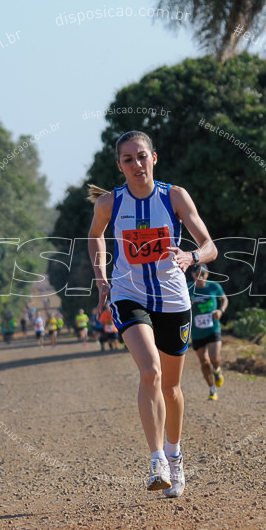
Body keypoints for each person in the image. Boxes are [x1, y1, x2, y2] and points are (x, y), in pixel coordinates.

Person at [88, 130, 217, 498]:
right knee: (150, 372)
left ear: (153, 158)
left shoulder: (174, 196)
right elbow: (95, 236)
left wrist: (191, 256)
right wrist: (101, 279)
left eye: (141, 156)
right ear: (119, 165)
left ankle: (176, 456)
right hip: (128, 294)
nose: (136, 164)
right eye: (128, 159)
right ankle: (157, 459)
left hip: (174, 299)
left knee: (172, 387)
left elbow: (210, 246)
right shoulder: (110, 203)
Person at [189, 264, 228, 401]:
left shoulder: (214, 286)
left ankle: (217, 370)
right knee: (204, 362)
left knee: (214, 357)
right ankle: (212, 389)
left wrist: (220, 311)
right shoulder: (188, 288)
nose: (200, 276)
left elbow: (224, 299)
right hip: (197, 331)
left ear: (207, 274)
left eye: (202, 273)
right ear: (192, 275)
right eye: (196, 274)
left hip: (213, 328)